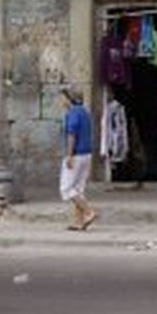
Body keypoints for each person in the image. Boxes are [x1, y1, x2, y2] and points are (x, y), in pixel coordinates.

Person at [61, 86, 98, 231]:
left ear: (69, 99)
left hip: (76, 154)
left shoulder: (72, 113)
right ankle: (79, 221)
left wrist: (69, 155)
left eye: (63, 97)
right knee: (78, 188)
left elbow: (71, 135)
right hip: (87, 154)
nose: (62, 101)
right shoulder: (84, 112)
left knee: (66, 188)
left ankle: (89, 212)